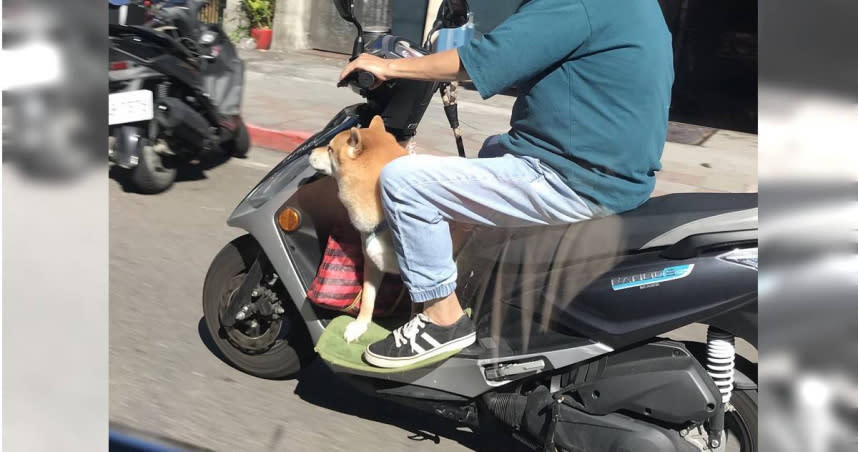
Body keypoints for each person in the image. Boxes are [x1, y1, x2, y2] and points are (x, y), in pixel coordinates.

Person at [339, 0, 674, 369]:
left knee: (404, 181)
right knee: (493, 148)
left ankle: (442, 319)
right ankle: (480, 294)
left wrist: (389, 66)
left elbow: (483, 61)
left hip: (574, 177)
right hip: (606, 170)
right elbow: (534, 53)